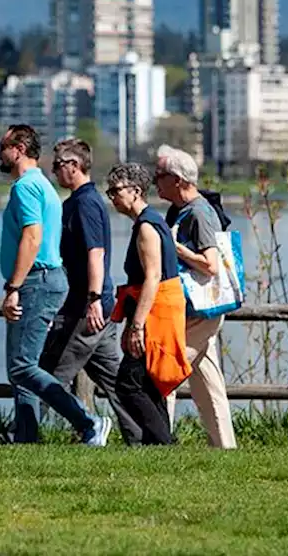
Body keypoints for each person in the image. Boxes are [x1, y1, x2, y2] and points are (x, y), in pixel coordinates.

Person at [0, 124, 111, 446]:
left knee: (22, 366)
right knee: (22, 366)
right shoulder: (45, 186)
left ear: (18, 149)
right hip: (44, 280)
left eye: (3, 147)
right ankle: (25, 438)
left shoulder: (25, 188)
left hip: (36, 281)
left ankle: (88, 422)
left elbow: (32, 238)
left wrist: (13, 287)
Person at [39, 138, 144, 445]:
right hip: (98, 307)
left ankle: (24, 433)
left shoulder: (85, 203)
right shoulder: (80, 201)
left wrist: (94, 300)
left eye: (57, 165)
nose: (54, 172)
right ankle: (144, 437)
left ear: (74, 166)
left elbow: (95, 253)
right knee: (115, 380)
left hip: (86, 309)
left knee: (49, 373)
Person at [155, 144, 238, 450]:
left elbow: (211, 264)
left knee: (165, 369)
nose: (155, 181)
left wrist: (178, 250)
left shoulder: (200, 213)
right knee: (207, 383)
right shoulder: (182, 210)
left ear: (178, 179)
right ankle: (224, 447)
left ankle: (158, 440)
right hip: (196, 307)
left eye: (160, 175)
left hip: (202, 309)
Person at [105, 162, 192, 445]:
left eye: (116, 190)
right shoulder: (152, 221)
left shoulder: (146, 227)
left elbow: (153, 277)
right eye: (110, 192)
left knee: (128, 384)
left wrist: (137, 326)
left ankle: (164, 443)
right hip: (158, 308)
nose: (113, 197)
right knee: (148, 382)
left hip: (156, 313)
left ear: (136, 191)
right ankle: (161, 445)